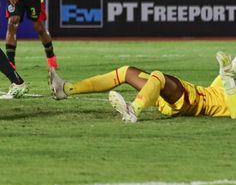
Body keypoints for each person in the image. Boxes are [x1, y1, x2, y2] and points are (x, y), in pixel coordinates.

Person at [48, 52, 236, 122]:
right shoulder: (229, 82)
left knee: (158, 76)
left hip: (191, 102)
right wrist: (227, 71)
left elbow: (233, 110)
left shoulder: (231, 88)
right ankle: (66, 89)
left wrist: (227, 76)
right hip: (186, 94)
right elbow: (216, 88)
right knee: (126, 72)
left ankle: (133, 110)